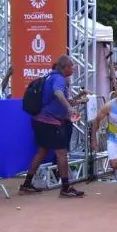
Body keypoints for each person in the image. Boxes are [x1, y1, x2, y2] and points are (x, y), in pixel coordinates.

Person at [20, 56, 87, 198]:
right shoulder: (59, 79)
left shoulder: (50, 77)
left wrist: (79, 101)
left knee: (42, 151)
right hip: (50, 122)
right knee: (62, 153)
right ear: (64, 67)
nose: (73, 68)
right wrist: (69, 108)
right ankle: (65, 188)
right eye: (71, 66)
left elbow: (58, 99)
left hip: (40, 121)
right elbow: (57, 94)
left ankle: (26, 184)